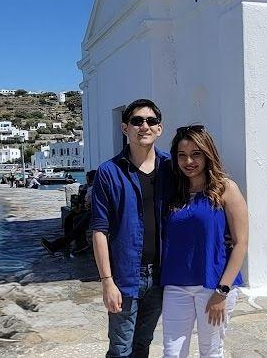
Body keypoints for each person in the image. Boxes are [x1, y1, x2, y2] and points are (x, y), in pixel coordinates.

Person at [91, 99, 172, 358]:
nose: (144, 126)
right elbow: (99, 230)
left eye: (151, 121)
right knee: (120, 349)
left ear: (159, 128)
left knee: (142, 345)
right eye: (137, 121)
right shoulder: (109, 172)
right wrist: (107, 282)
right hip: (125, 276)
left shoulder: (171, 168)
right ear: (125, 128)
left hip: (160, 274)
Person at [161, 125, 248, 358]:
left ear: (208, 154)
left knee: (211, 352)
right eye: (182, 155)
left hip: (213, 285)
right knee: (172, 353)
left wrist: (222, 291)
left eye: (196, 154)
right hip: (176, 285)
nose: (188, 161)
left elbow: (241, 243)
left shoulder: (226, 189)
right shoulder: (174, 191)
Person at [41, 169, 96, 256]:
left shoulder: (95, 188)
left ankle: (56, 245)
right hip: (88, 210)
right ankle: (79, 244)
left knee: (79, 223)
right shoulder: (88, 187)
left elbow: (89, 202)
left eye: (88, 179)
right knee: (70, 219)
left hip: (94, 212)